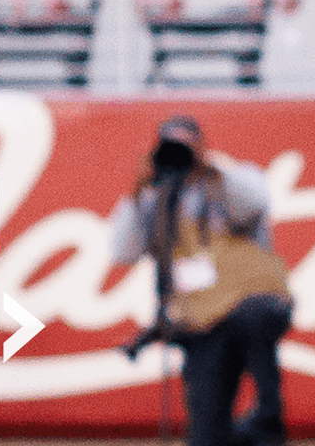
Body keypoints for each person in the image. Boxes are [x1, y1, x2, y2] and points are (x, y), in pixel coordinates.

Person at [108, 117, 293, 446]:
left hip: (249, 305)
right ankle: (244, 434)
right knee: (206, 435)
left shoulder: (230, 178)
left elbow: (254, 205)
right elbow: (123, 252)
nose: (179, 152)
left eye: (186, 145)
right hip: (202, 322)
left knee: (254, 317)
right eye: (171, 145)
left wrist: (209, 169)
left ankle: (268, 412)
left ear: (202, 145)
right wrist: (139, 190)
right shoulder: (155, 198)